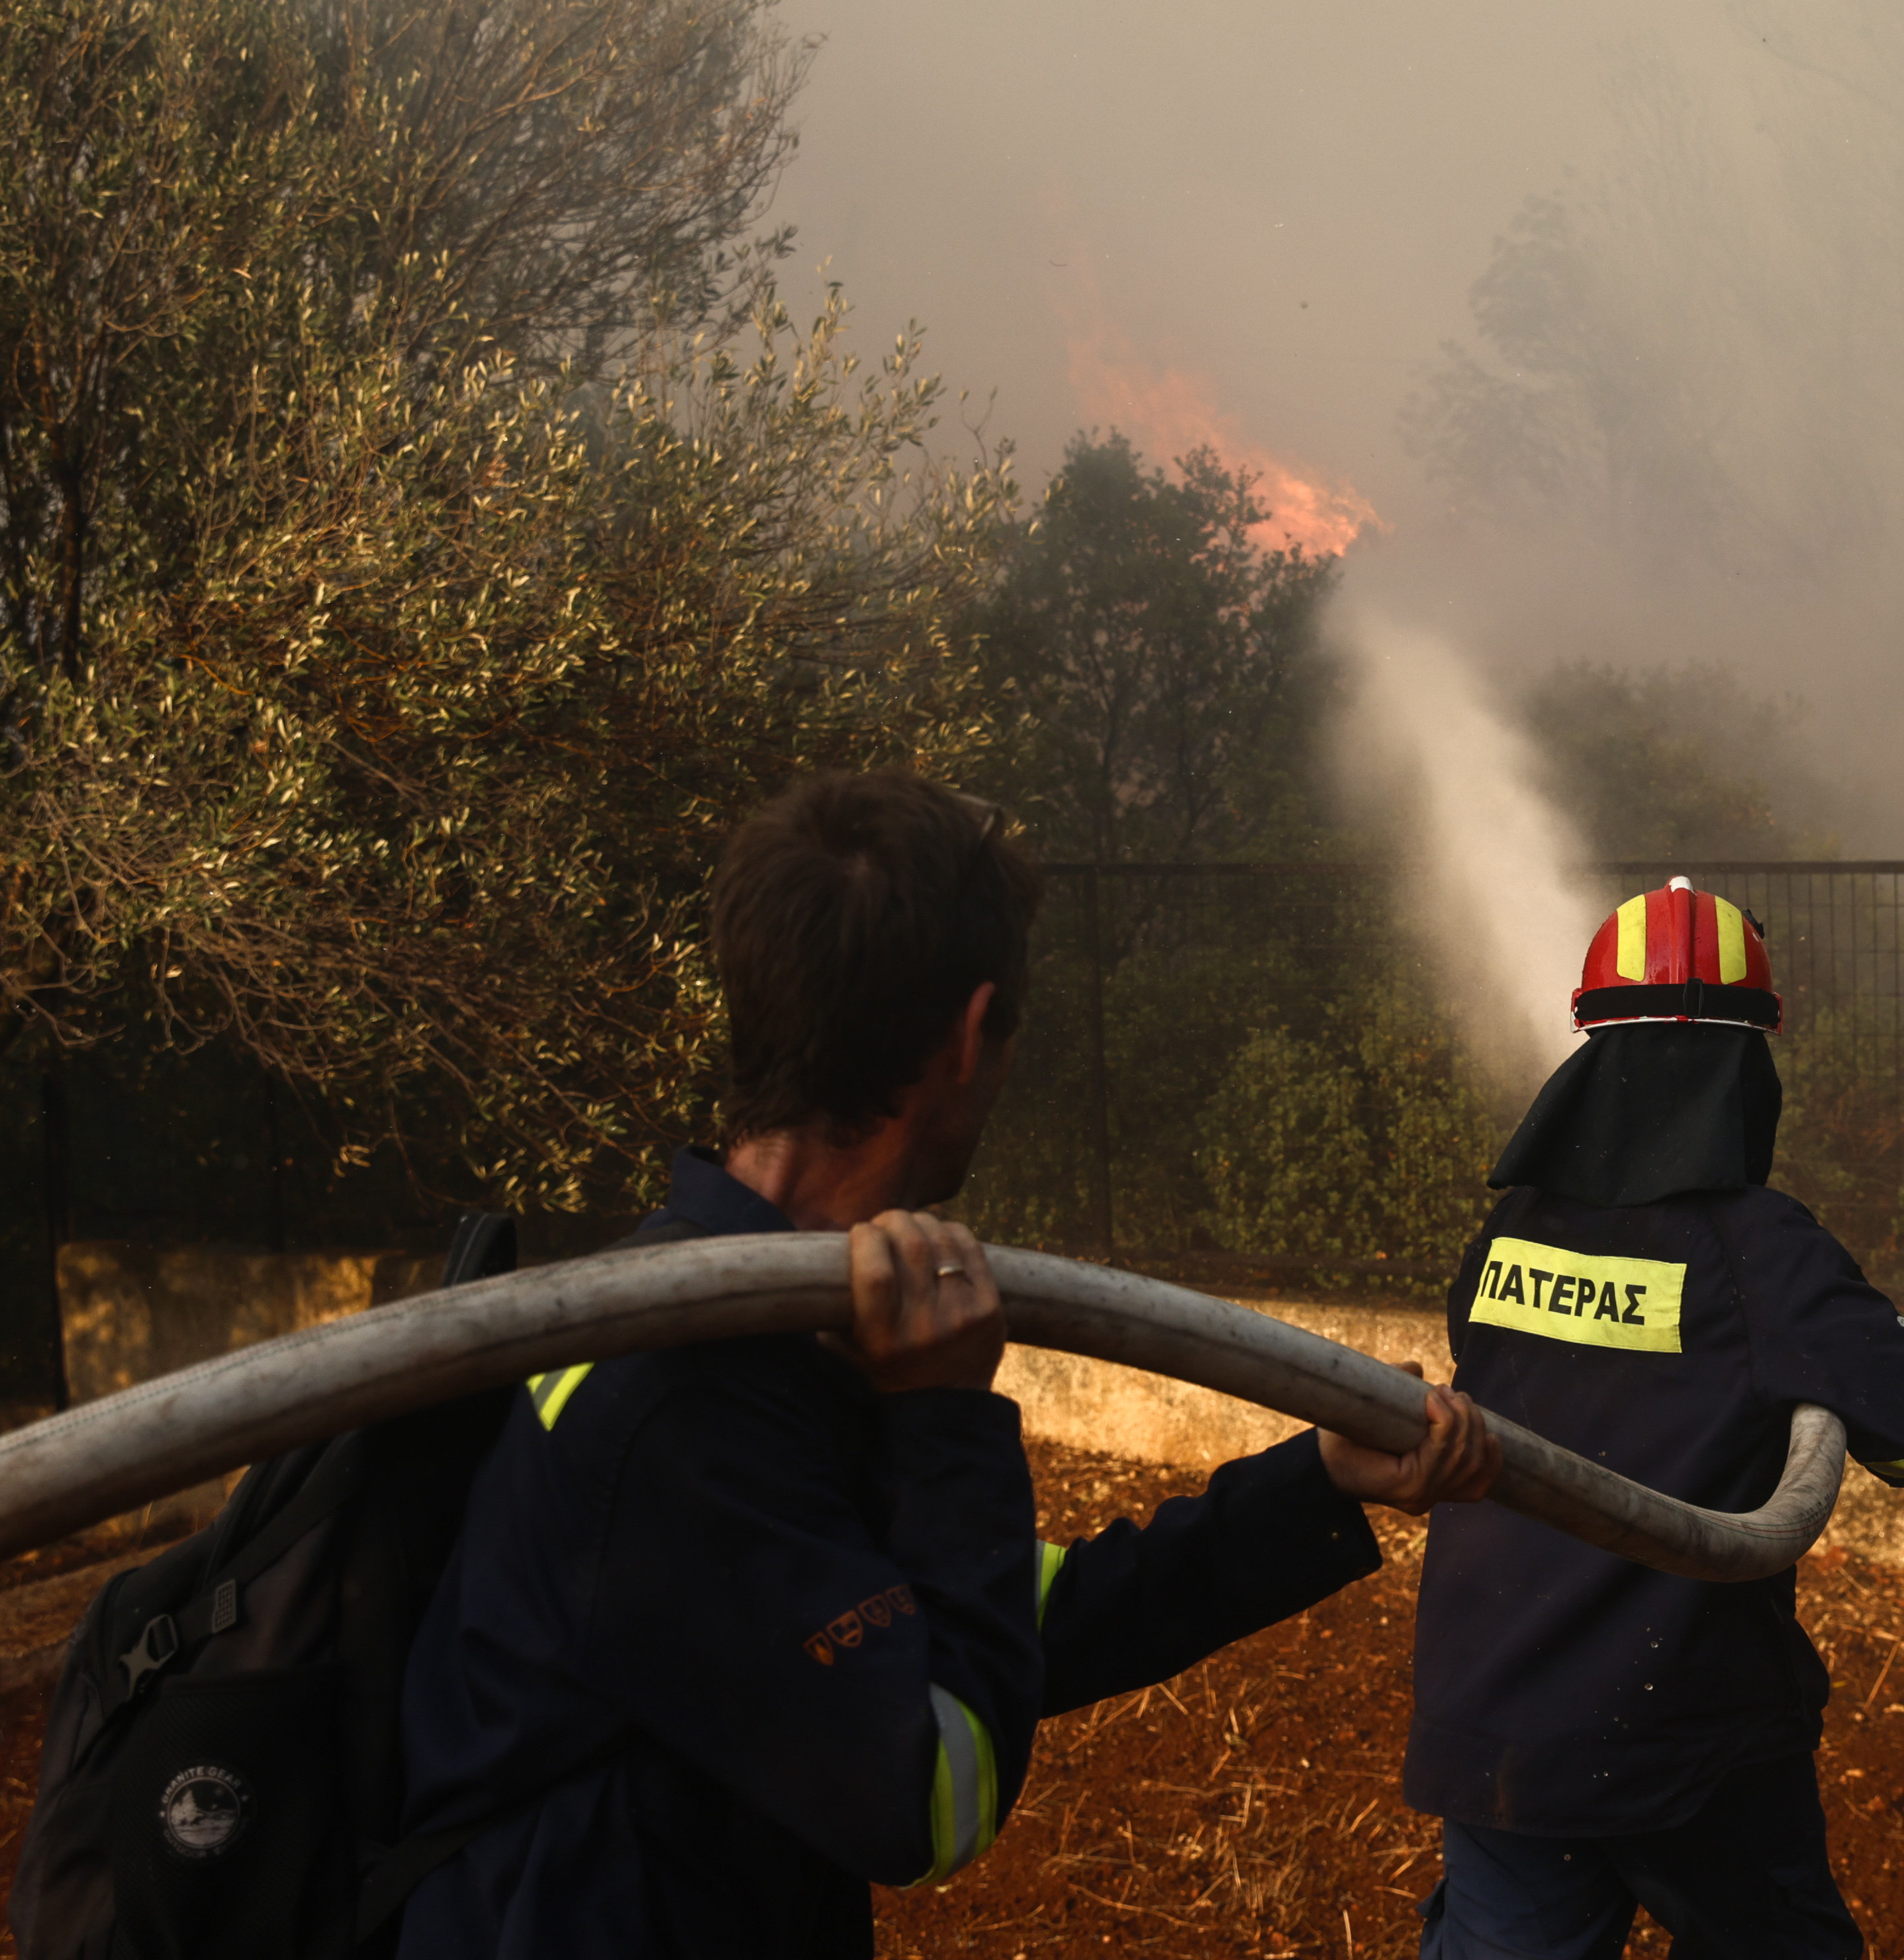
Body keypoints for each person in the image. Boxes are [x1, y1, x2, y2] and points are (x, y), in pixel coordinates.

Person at [393, 769, 1499, 1955]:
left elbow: (1004, 1613)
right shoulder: (679, 1395)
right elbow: (931, 1796)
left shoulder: (772, 1328)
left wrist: (1315, 1484)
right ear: (973, 1036)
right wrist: (943, 1423)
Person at [1407, 877, 1904, 1960]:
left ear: (1588, 1051)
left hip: (1496, 1720)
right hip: (1681, 1740)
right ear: (1748, 1064)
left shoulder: (1507, 1236)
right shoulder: (1763, 1252)